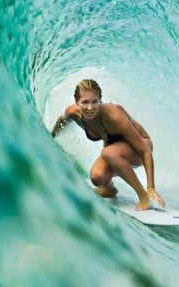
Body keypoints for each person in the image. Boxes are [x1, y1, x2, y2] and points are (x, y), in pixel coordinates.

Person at [51, 79, 165, 211]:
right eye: (85, 102)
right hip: (116, 151)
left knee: (108, 152)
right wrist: (51, 135)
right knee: (97, 177)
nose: (90, 107)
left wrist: (151, 188)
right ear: (77, 101)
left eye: (95, 101)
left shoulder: (115, 116)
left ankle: (143, 197)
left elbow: (145, 151)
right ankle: (109, 189)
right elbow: (62, 120)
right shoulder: (73, 112)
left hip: (140, 148)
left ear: (100, 100)